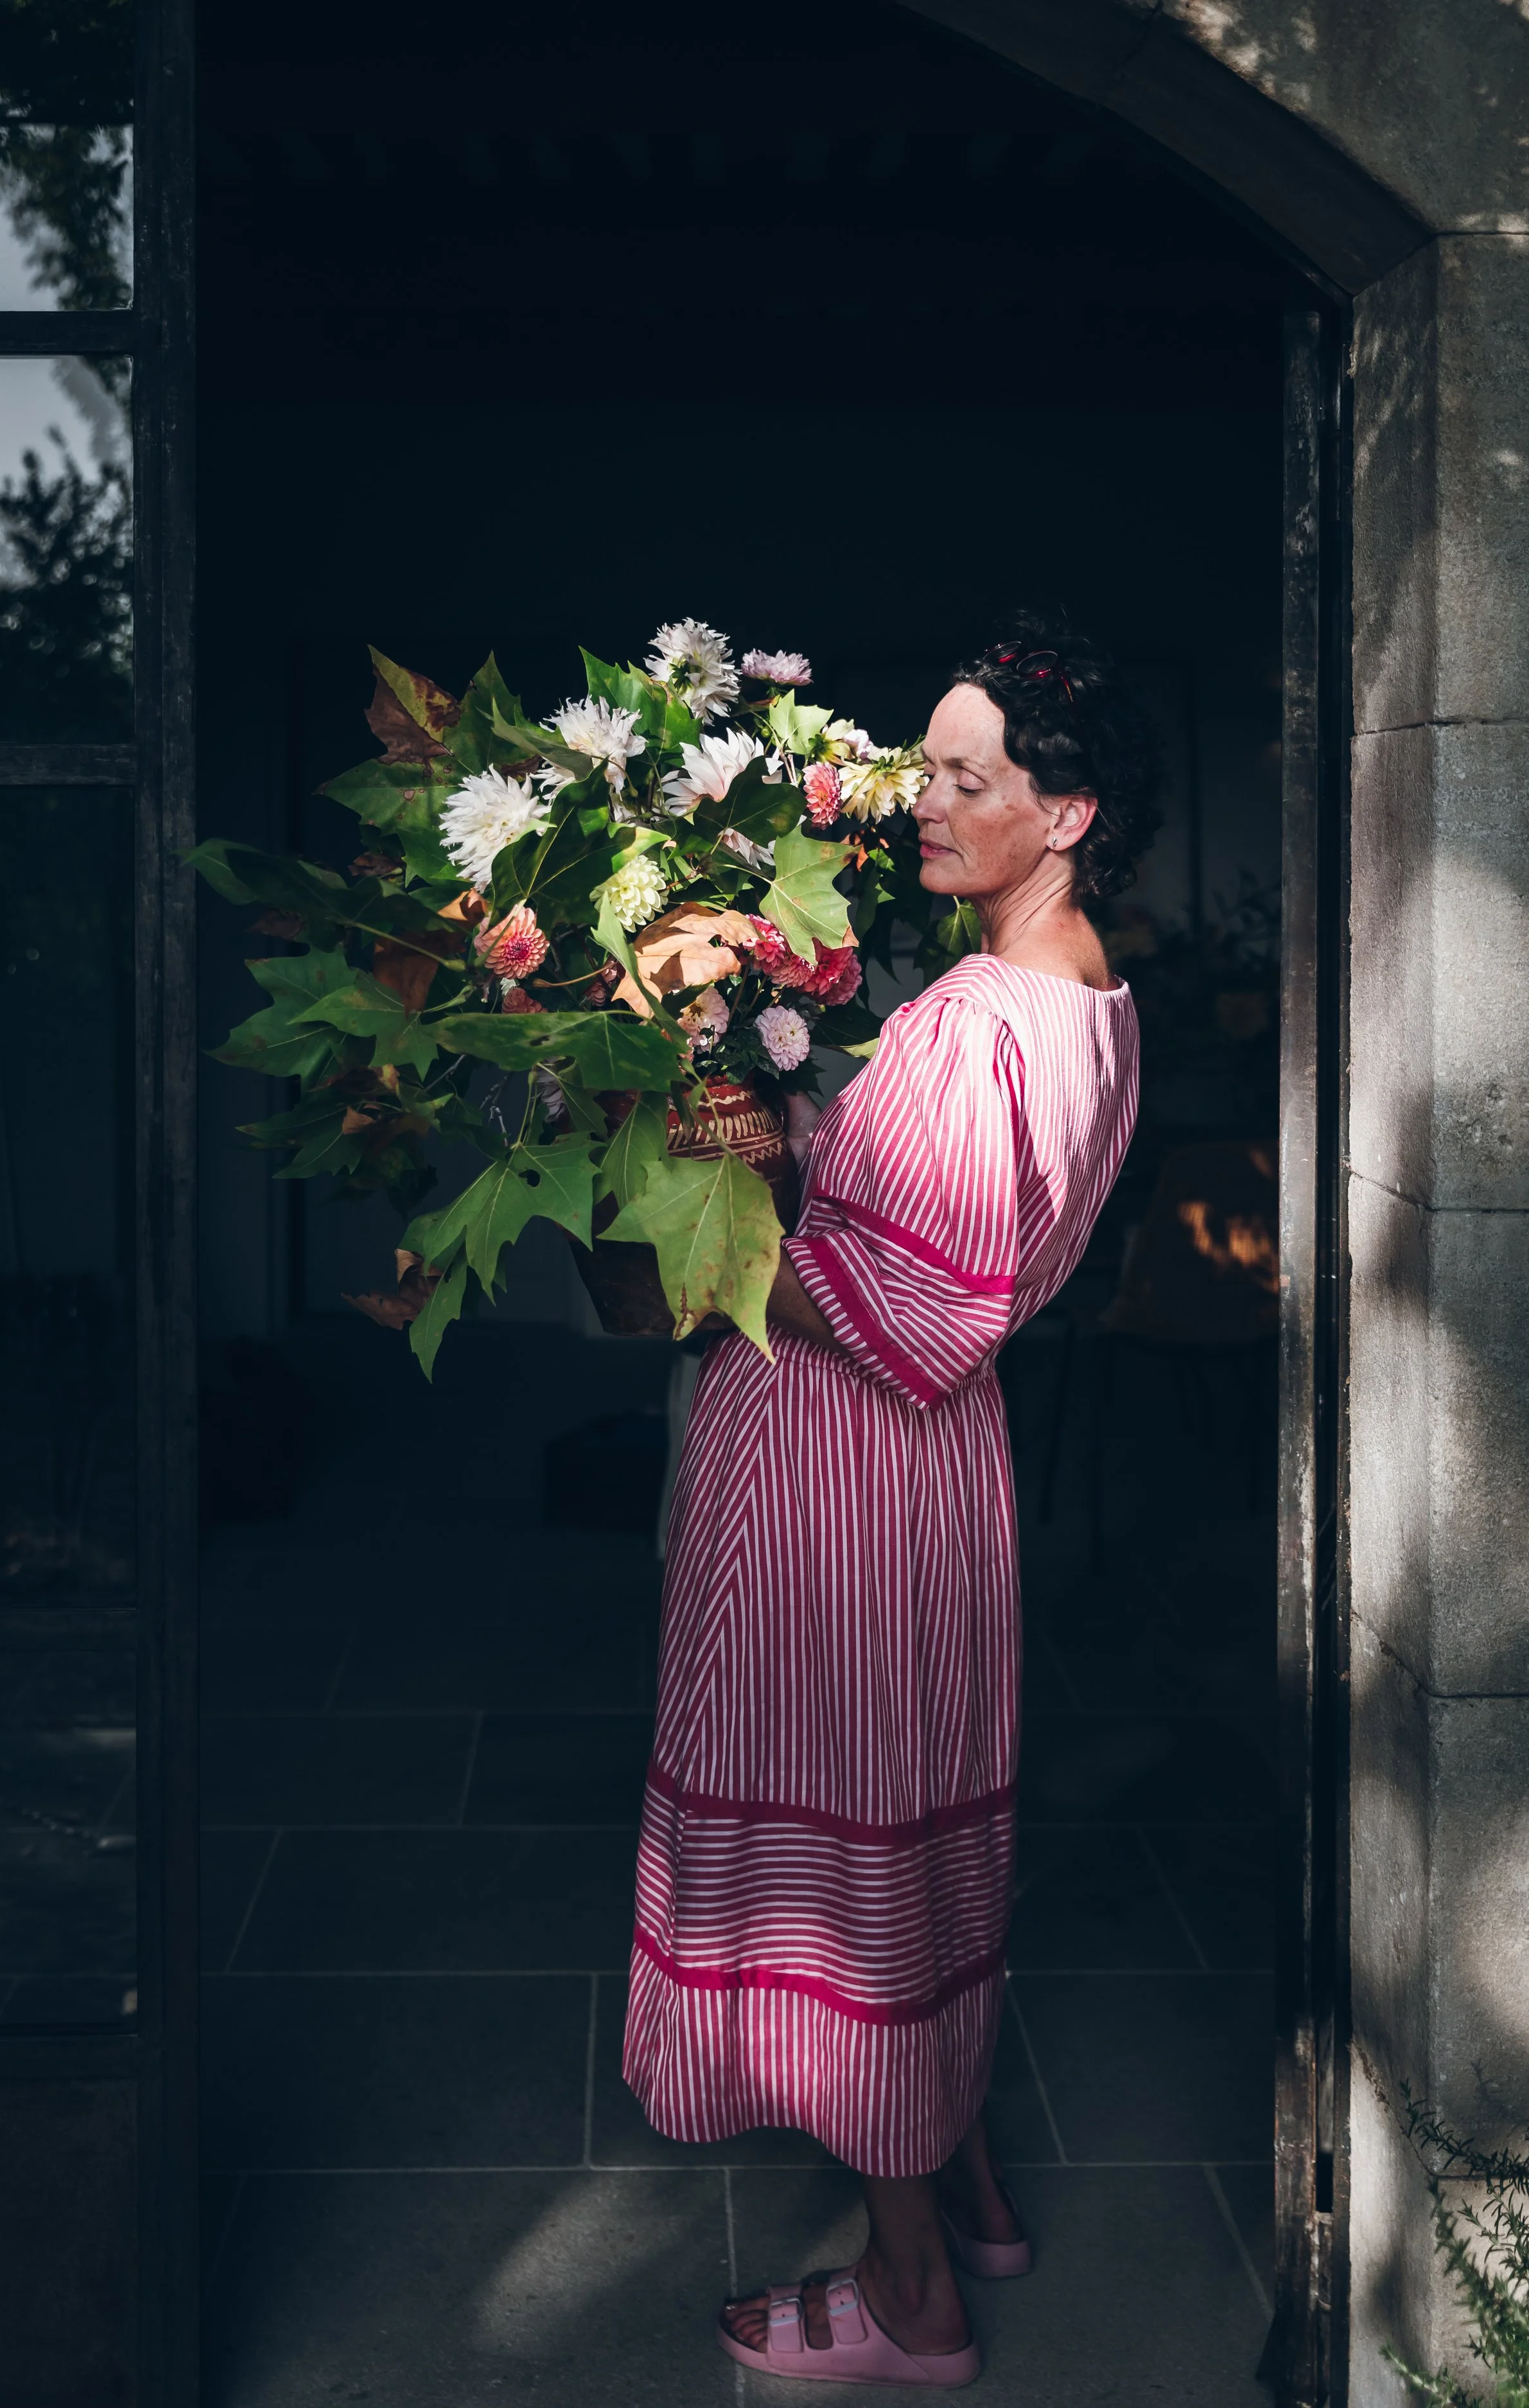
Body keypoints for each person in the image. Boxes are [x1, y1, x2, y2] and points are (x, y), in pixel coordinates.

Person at [622, 611, 1158, 2387]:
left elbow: (893, 1305)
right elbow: (925, 1241)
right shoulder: (1084, 996)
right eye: (923, 767)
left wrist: (698, 1132)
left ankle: (911, 2289)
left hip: (847, 1482)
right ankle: (972, 2178)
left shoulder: (976, 1023)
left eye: (963, 778)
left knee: (851, 1877)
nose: (918, 802)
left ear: (1062, 810)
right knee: (915, 1853)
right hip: (926, 1487)